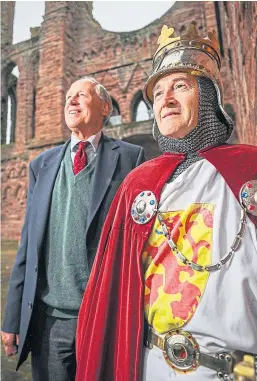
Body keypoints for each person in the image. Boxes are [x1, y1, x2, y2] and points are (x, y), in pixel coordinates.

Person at [75, 25, 257, 381]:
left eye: (180, 86)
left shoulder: (249, 169)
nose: (166, 99)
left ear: (209, 98)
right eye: (157, 93)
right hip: (151, 365)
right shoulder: (139, 184)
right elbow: (111, 291)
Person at [1, 76, 145, 381]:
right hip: (49, 321)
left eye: (81, 95)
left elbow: (138, 244)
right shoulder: (42, 164)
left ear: (105, 107)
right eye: (68, 96)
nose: (71, 101)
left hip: (103, 318)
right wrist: (12, 318)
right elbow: (28, 246)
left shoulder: (131, 158)